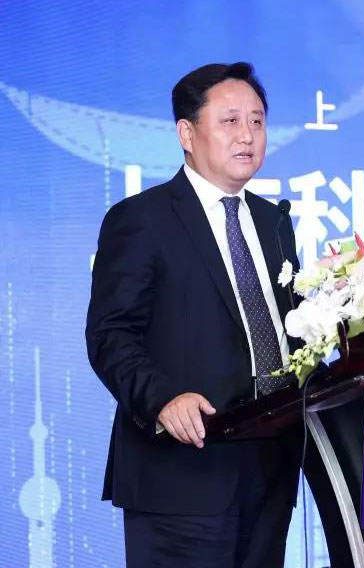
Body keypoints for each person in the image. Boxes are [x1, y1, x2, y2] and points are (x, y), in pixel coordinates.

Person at [86, 62, 301, 567]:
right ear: (187, 133)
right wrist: (162, 399)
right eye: (230, 121)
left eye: (257, 121)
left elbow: (289, 329)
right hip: (182, 473)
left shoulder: (273, 222)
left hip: (269, 467)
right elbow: (110, 333)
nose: (247, 135)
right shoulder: (142, 219)